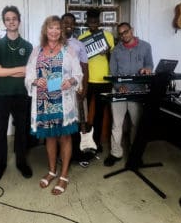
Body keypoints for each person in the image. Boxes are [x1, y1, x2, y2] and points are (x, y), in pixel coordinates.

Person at [25, 15, 82, 195]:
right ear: (45, 30)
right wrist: (36, 81)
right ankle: (52, 171)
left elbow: (78, 74)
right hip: (44, 102)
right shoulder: (37, 51)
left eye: (58, 28)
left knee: (64, 138)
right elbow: (28, 75)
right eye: (51, 28)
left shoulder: (69, 50)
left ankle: (63, 175)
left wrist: (71, 81)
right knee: (49, 137)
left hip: (63, 102)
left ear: (62, 31)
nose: (55, 31)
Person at [0, 5, 33, 182]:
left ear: (19, 21)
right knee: (1, 131)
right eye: (8, 19)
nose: (11, 21)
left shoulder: (28, 46)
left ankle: (21, 162)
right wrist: (18, 69)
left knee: (22, 130)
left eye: (14, 18)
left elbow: (29, 72)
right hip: (2, 95)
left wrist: (5, 70)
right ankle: (1, 164)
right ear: (4, 22)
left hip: (22, 94)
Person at [105, 22, 153, 166]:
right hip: (119, 90)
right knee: (117, 124)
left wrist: (147, 69)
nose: (124, 35)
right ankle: (115, 153)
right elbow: (112, 73)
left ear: (132, 30)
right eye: (120, 33)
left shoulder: (145, 46)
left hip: (137, 90)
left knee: (136, 123)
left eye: (126, 32)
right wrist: (119, 86)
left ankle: (134, 153)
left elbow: (150, 64)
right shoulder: (115, 51)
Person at [61, 13, 95, 167]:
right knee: (63, 124)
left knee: (78, 122)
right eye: (65, 22)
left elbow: (85, 68)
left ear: (74, 26)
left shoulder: (79, 44)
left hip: (77, 89)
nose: (68, 24)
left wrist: (85, 88)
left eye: (71, 22)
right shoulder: (54, 42)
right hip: (60, 91)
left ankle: (79, 153)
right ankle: (63, 155)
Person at [78, 9, 115, 154]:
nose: (93, 24)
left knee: (100, 114)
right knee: (84, 115)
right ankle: (85, 142)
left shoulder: (108, 36)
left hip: (104, 81)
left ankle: (98, 143)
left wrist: (107, 54)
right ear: (87, 22)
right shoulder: (82, 38)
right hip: (87, 81)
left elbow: (114, 60)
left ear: (99, 22)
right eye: (90, 21)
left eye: (95, 21)